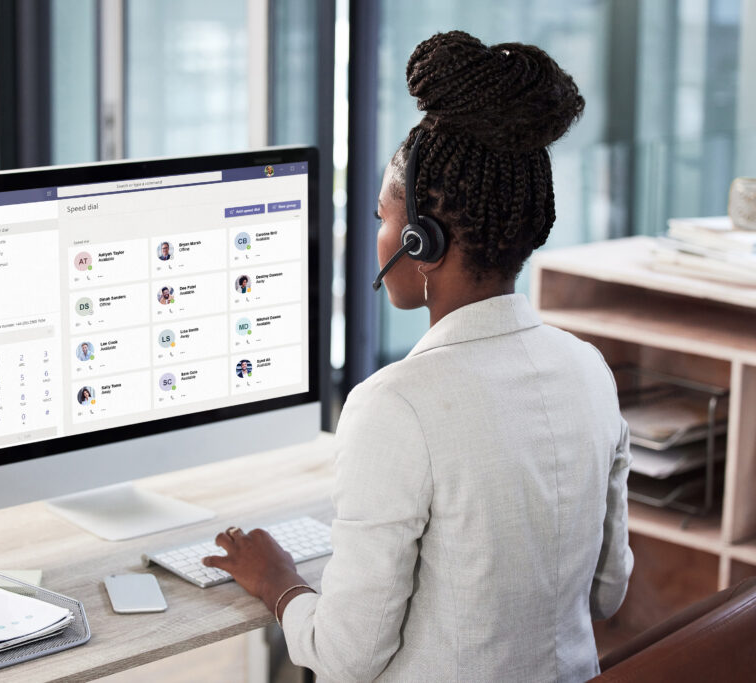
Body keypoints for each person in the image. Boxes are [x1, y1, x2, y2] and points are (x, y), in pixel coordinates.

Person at [202, 31, 632, 681]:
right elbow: (608, 593)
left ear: (419, 239)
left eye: (380, 217)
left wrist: (278, 580)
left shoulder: (394, 406)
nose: (376, 237)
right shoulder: (588, 369)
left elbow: (347, 657)